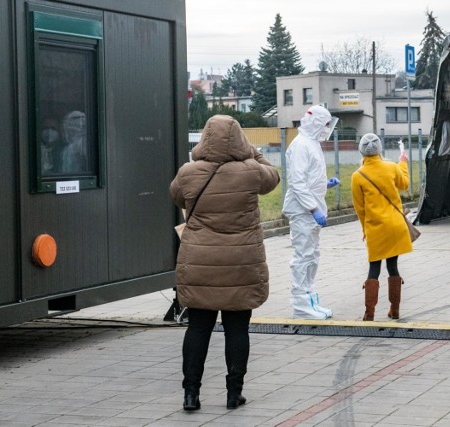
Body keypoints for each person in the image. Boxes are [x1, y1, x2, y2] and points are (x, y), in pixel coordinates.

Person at [170, 115, 280, 412]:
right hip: (240, 263)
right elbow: (274, 175)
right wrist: (250, 153)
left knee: (197, 329)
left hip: (200, 263)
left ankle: (191, 394)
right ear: (239, 139)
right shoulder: (251, 172)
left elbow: (178, 197)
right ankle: (234, 393)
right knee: (237, 329)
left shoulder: (188, 172)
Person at [282, 105, 340, 320]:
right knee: (303, 256)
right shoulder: (300, 146)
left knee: (312, 256)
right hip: (302, 211)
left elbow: (308, 179)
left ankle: (310, 300)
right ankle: (300, 304)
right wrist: (314, 208)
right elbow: (297, 182)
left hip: (310, 208)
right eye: (325, 124)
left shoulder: (311, 143)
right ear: (316, 123)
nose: (327, 129)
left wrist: (325, 185)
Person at [351, 133, 412, 321]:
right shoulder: (391, 167)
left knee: (374, 269)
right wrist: (403, 162)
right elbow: (404, 183)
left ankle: (369, 312)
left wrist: (365, 230)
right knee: (393, 267)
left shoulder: (358, 176)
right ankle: (395, 310)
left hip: (376, 228)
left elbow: (360, 209)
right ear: (379, 150)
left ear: (362, 151)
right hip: (395, 226)